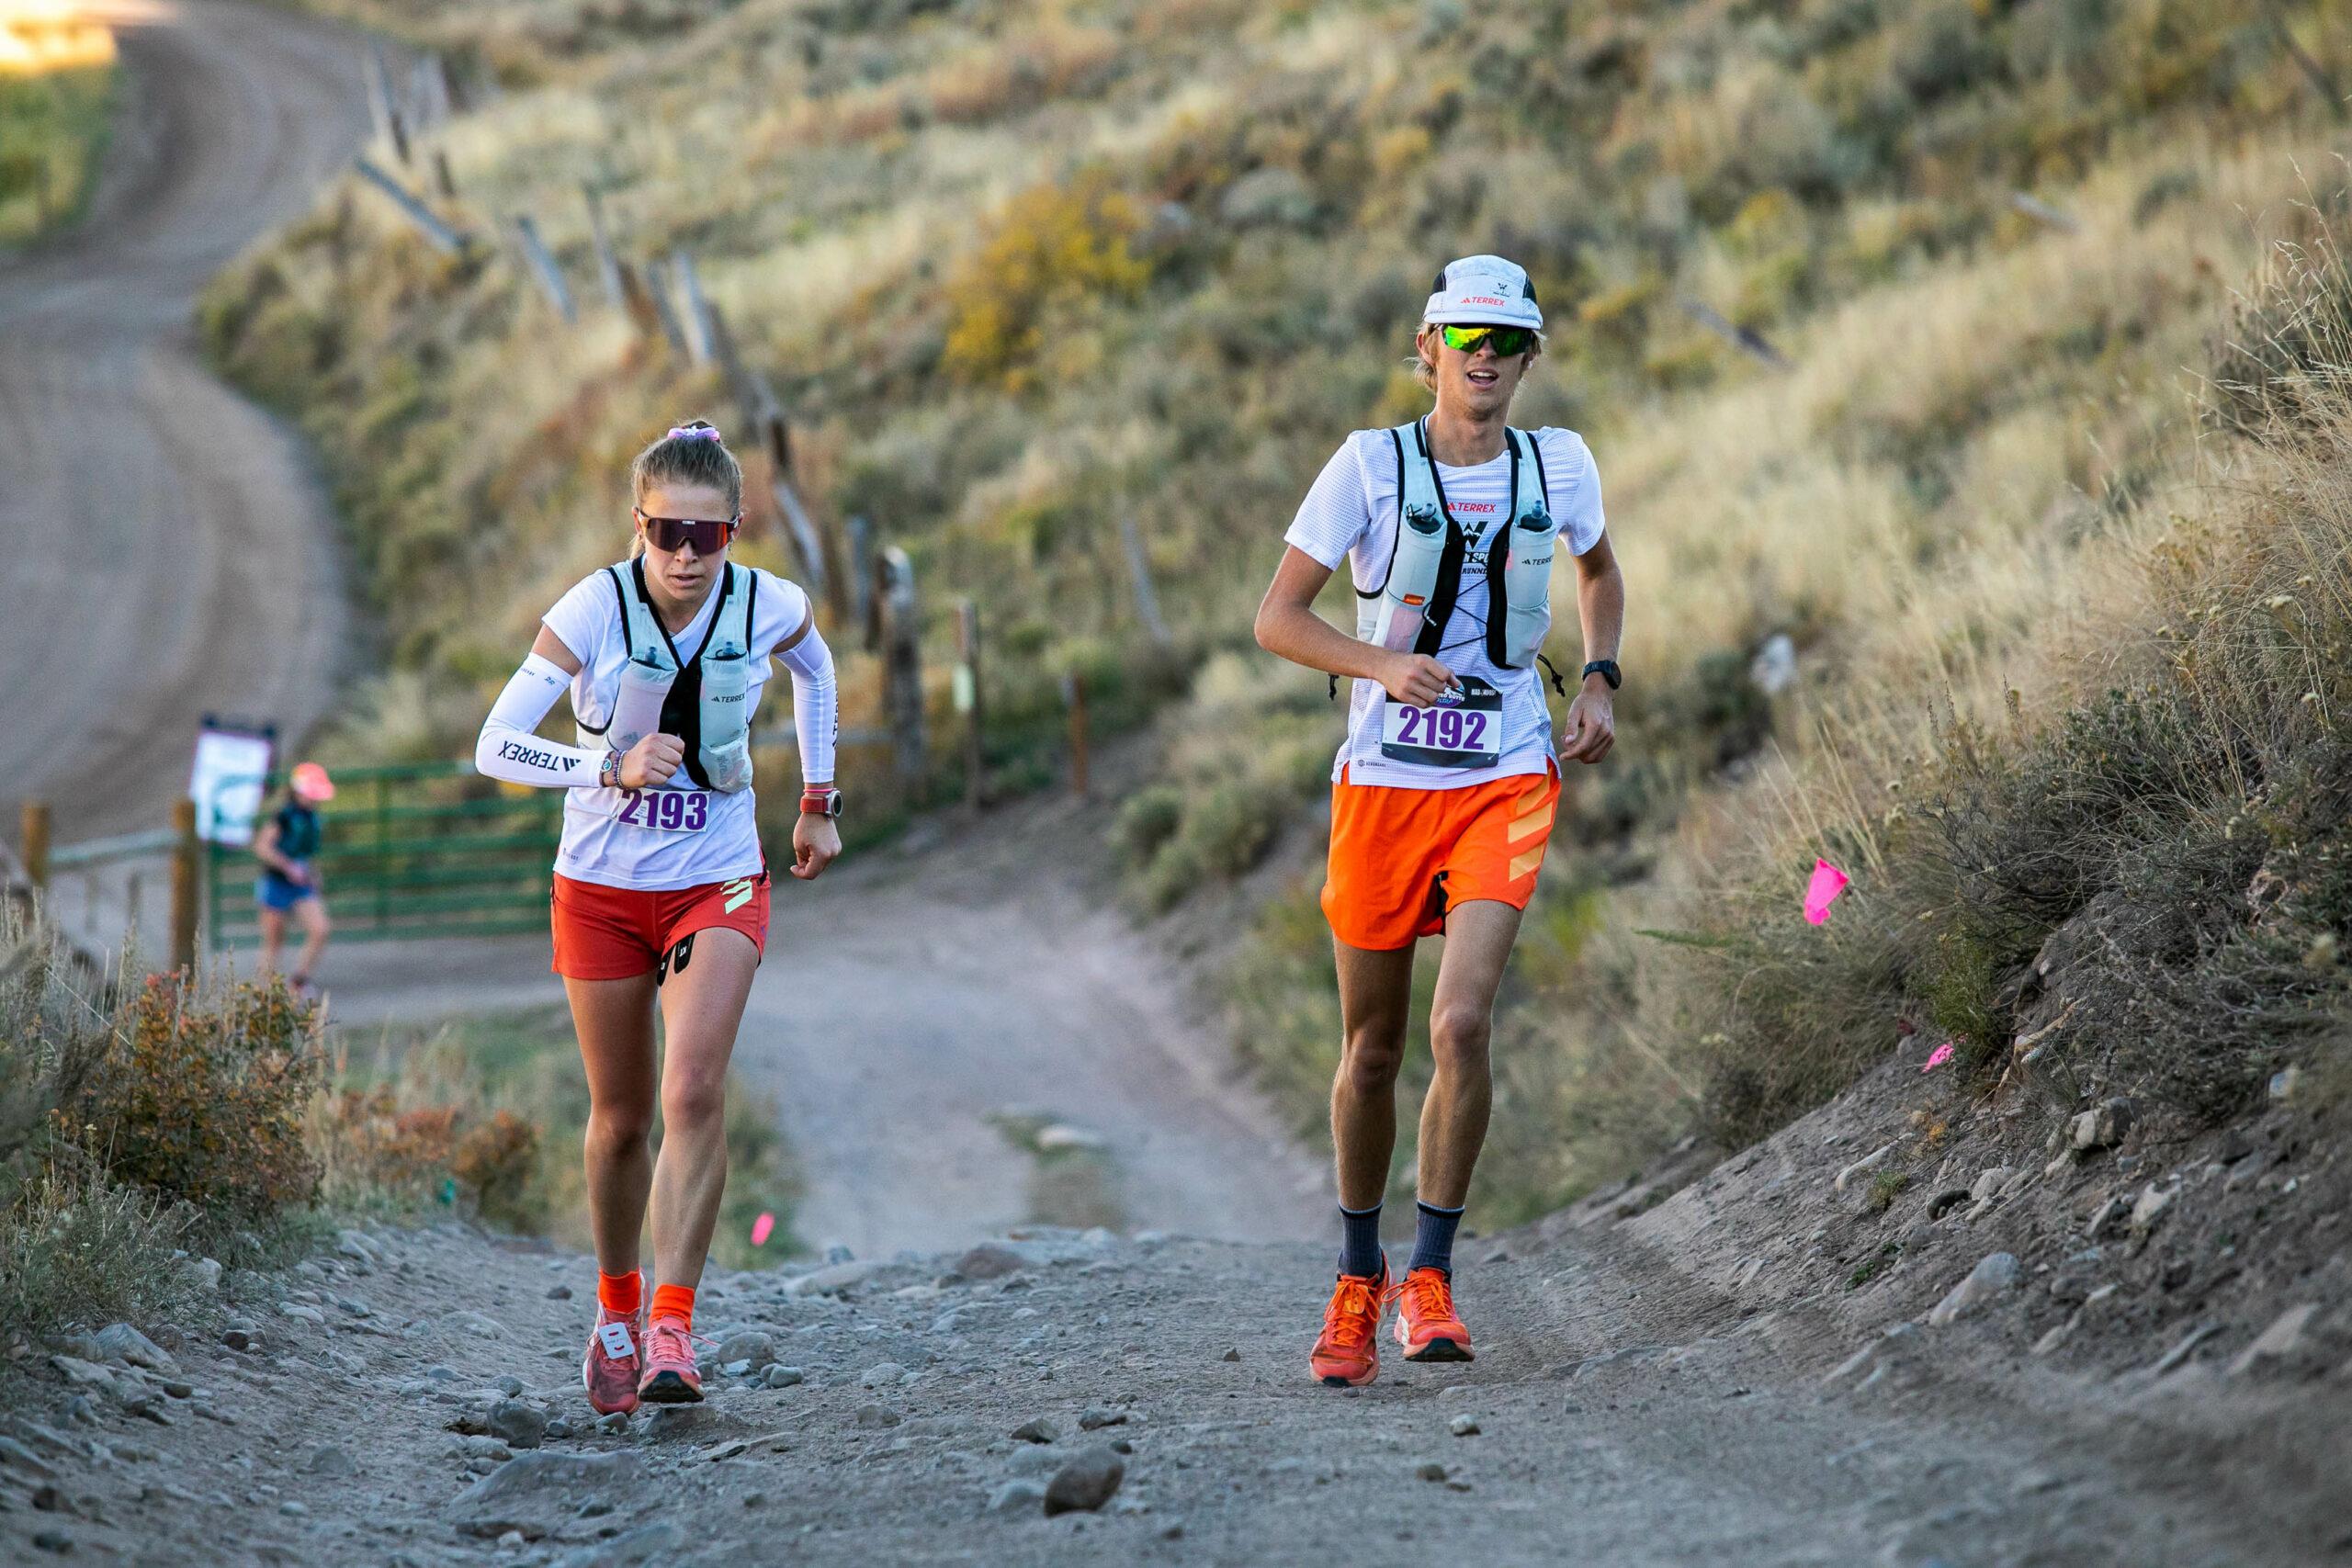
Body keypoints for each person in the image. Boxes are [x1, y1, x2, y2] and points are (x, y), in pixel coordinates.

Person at [1252, 255, 1625, 1387]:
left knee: (1460, 1027)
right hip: (1382, 787)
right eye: (1462, 337)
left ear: (1526, 359)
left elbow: (1600, 572)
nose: (1482, 357)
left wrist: (1601, 676)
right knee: (1372, 1047)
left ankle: (1432, 1279)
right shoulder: (1367, 467)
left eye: (1504, 342)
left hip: (1507, 775)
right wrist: (1379, 664)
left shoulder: (1557, 464)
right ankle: (1356, 1280)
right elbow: (1277, 618)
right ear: (1427, 348)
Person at [472, 420, 842, 1413]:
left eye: (708, 536)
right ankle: (617, 1309)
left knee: (691, 1091)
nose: (686, 554)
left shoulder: (769, 602)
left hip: (716, 875)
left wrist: (819, 799)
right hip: (597, 886)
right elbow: (494, 746)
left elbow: (818, 672)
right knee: (620, 1120)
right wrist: (607, 763)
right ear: (637, 526)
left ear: (737, 530)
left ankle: (674, 1327)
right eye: (666, 532)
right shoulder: (594, 607)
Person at [253, 761, 335, 997]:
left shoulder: (312, 817)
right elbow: (262, 847)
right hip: (276, 883)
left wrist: (311, 873)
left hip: (301, 885)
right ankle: (263, 993)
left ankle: (299, 981)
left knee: (320, 929)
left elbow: (306, 853)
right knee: (273, 940)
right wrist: (288, 867)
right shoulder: (284, 816)